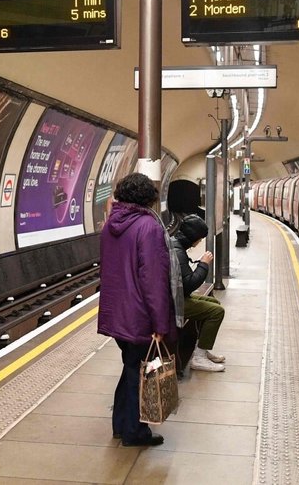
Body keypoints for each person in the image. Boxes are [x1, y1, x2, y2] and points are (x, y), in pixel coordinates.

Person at [98, 173, 175, 447]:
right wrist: (160, 322)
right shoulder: (148, 227)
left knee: (130, 366)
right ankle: (135, 432)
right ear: (149, 198)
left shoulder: (111, 225)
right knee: (137, 373)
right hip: (139, 313)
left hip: (116, 311)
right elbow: (153, 279)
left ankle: (121, 425)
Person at [171, 215, 227, 372]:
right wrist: (203, 264)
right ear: (193, 237)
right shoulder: (178, 252)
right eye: (200, 239)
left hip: (175, 296)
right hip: (172, 302)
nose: (200, 242)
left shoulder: (176, 245)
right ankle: (199, 357)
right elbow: (189, 285)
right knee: (217, 312)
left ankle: (202, 348)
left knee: (214, 303)